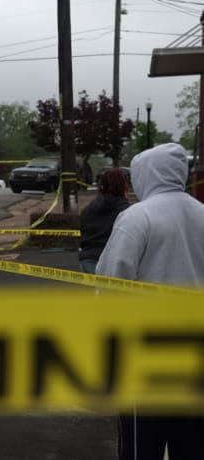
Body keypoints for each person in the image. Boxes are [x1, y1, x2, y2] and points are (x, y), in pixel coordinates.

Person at [96, 143, 204, 460]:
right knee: (193, 445)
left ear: (146, 175)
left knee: (141, 445)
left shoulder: (137, 218)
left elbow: (111, 283)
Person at [78, 167, 130, 273]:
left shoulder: (88, 208)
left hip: (86, 259)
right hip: (110, 262)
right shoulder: (126, 212)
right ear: (123, 185)